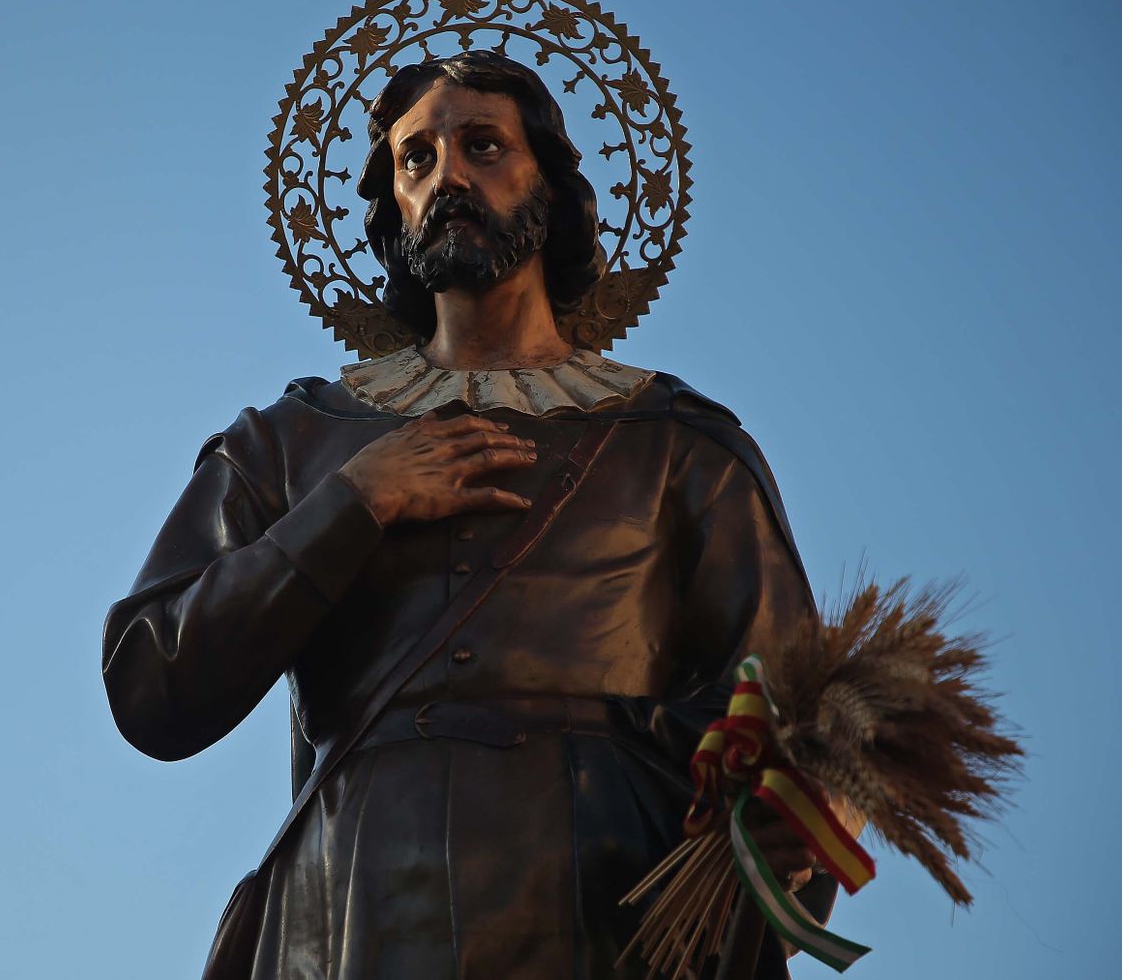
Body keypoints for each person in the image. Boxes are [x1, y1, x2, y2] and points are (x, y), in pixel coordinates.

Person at [103, 51, 833, 978]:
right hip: (356, 901)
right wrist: (353, 503)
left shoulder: (675, 442)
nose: (447, 174)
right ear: (393, 207)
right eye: (417, 159)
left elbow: (787, 713)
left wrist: (794, 807)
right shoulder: (294, 439)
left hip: (606, 901)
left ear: (553, 188)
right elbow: (150, 681)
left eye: (483, 145)